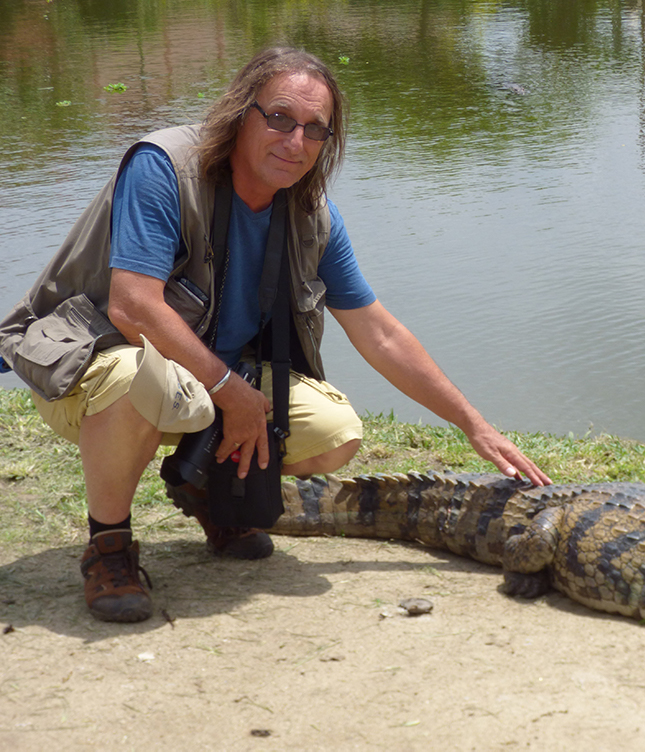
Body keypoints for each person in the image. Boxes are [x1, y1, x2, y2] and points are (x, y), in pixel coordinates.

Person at [0, 47, 551, 624]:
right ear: (242, 112)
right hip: (91, 366)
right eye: (280, 118)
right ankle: (108, 546)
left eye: (316, 129)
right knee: (140, 376)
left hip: (199, 380)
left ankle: (211, 492)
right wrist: (233, 393)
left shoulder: (314, 216)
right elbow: (133, 305)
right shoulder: (163, 166)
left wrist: (474, 425)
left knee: (334, 432)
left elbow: (381, 334)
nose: (295, 141)